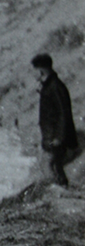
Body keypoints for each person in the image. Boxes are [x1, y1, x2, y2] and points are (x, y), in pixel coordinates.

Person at [33, 53, 79, 186]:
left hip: (56, 137)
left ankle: (60, 189)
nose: (35, 75)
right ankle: (62, 187)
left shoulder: (55, 87)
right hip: (51, 135)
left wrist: (59, 137)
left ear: (42, 70)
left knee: (50, 164)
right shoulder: (50, 85)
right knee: (54, 165)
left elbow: (63, 114)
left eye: (37, 72)